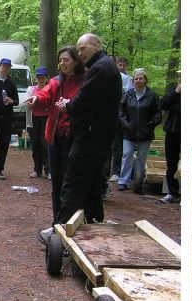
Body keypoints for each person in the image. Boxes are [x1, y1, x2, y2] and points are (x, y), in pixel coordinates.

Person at [45, 33, 121, 231]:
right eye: (78, 49)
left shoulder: (100, 68)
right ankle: (95, 224)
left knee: (72, 184)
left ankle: (58, 229)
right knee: (93, 185)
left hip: (89, 136)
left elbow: (83, 98)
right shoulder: (105, 66)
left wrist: (69, 105)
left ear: (95, 45)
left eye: (82, 48)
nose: (80, 53)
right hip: (98, 135)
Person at [26, 46, 85, 242]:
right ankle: (56, 224)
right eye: (60, 60)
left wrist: (70, 103)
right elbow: (45, 94)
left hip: (73, 139)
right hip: (55, 138)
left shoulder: (84, 81)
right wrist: (36, 97)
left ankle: (71, 224)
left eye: (66, 60)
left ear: (75, 61)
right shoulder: (56, 81)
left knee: (70, 184)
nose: (62, 63)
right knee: (56, 184)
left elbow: (84, 102)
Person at [116, 68, 161, 191]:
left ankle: (138, 181)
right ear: (133, 81)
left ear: (145, 80)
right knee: (127, 154)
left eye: (141, 78)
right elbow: (121, 112)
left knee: (141, 157)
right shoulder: (127, 95)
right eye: (136, 79)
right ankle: (123, 180)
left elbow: (158, 114)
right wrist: (126, 124)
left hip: (145, 132)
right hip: (129, 131)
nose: (138, 81)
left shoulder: (152, 96)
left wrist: (150, 125)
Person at [107, 56, 132, 184]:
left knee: (117, 143)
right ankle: (105, 170)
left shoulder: (128, 79)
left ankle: (116, 172)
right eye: (119, 65)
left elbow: (127, 94)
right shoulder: (107, 75)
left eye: (123, 65)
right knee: (106, 142)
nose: (121, 67)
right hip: (107, 112)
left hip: (120, 113)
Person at [159, 72, 181, 203]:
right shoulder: (174, 90)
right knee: (171, 164)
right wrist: (176, 92)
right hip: (172, 132)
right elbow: (164, 104)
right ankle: (172, 193)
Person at [26, 67, 51, 179]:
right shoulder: (31, 89)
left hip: (46, 119)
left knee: (45, 144)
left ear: (46, 78)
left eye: (43, 77)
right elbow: (27, 102)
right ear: (36, 78)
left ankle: (48, 170)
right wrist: (30, 104)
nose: (41, 79)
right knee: (35, 144)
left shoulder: (50, 89)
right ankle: (37, 169)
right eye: (39, 77)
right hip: (34, 120)